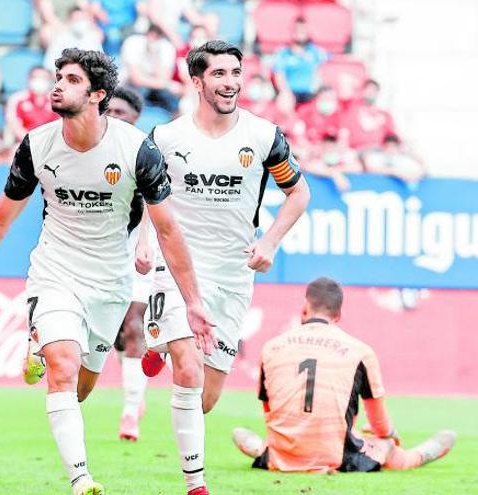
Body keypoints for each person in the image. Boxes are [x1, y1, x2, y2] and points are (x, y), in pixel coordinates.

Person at [0, 48, 214, 495]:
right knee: (62, 365)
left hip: (110, 282)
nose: (58, 84)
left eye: (71, 79)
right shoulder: (37, 145)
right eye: (59, 76)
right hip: (54, 270)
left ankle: (39, 345)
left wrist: (192, 301)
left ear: (97, 94)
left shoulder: (137, 150)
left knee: (79, 388)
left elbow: (168, 229)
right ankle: (81, 479)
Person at [140, 40, 311, 495]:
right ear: (197, 82)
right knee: (188, 369)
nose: (230, 82)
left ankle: (157, 341)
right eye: (218, 74)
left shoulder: (262, 136)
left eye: (235, 72)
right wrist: (142, 242)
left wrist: (269, 242)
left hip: (234, 274)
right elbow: (146, 198)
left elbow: (299, 194)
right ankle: (195, 482)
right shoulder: (166, 138)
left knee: (206, 399)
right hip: (177, 268)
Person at [233, 277, 457, 473]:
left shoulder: (270, 348)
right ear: (339, 315)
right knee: (385, 445)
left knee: (245, 435)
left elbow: (269, 411)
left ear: (304, 308)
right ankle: (415, 456)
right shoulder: (360, 351)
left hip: (284, 452)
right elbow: (379, 422)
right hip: (335, 456)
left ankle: (266, 450)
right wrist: (389, 435)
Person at [104, 86, 152, 441]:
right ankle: (137, 392)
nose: (115, 118)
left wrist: (147, 243)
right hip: (98, 256)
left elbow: (156, 201)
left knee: (134, 324)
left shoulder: (144, 153)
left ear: (135, 120)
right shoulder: (84, 149)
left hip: (139, 252)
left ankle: (130, 411)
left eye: (122, 113)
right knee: (118, 335)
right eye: (111, 111)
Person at [120, 24, 181, 114]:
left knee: (172, 98)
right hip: (131, 85)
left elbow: (164, 78)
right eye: (152, 35)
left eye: (157, 37)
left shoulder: (167, 47)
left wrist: (155, 56)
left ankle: (173, 121)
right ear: (147, 34)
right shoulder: (133, 42)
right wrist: (163, 84)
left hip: (155, 86)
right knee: (139, 93)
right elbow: (136, 79)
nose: (153, 39)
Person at [272, 17, 328, 104]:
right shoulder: (283, 53)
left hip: (311, 94)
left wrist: (315, 89)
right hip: (289, 95)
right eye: (297, 30)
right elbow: (279, 76)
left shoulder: (315, 52)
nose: (300, 33)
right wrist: (286, 93)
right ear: (292, 32)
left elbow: (321, 71)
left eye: (303, 30)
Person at [5, 66, 59, 142]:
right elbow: (14, 125)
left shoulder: (57, 100)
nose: (40, 80)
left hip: (50, 143)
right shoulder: (17, 99)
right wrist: (31, 142)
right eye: (36, 77)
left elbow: (60, 126)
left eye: (44, 78)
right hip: (24, 143)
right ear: (29, 79)